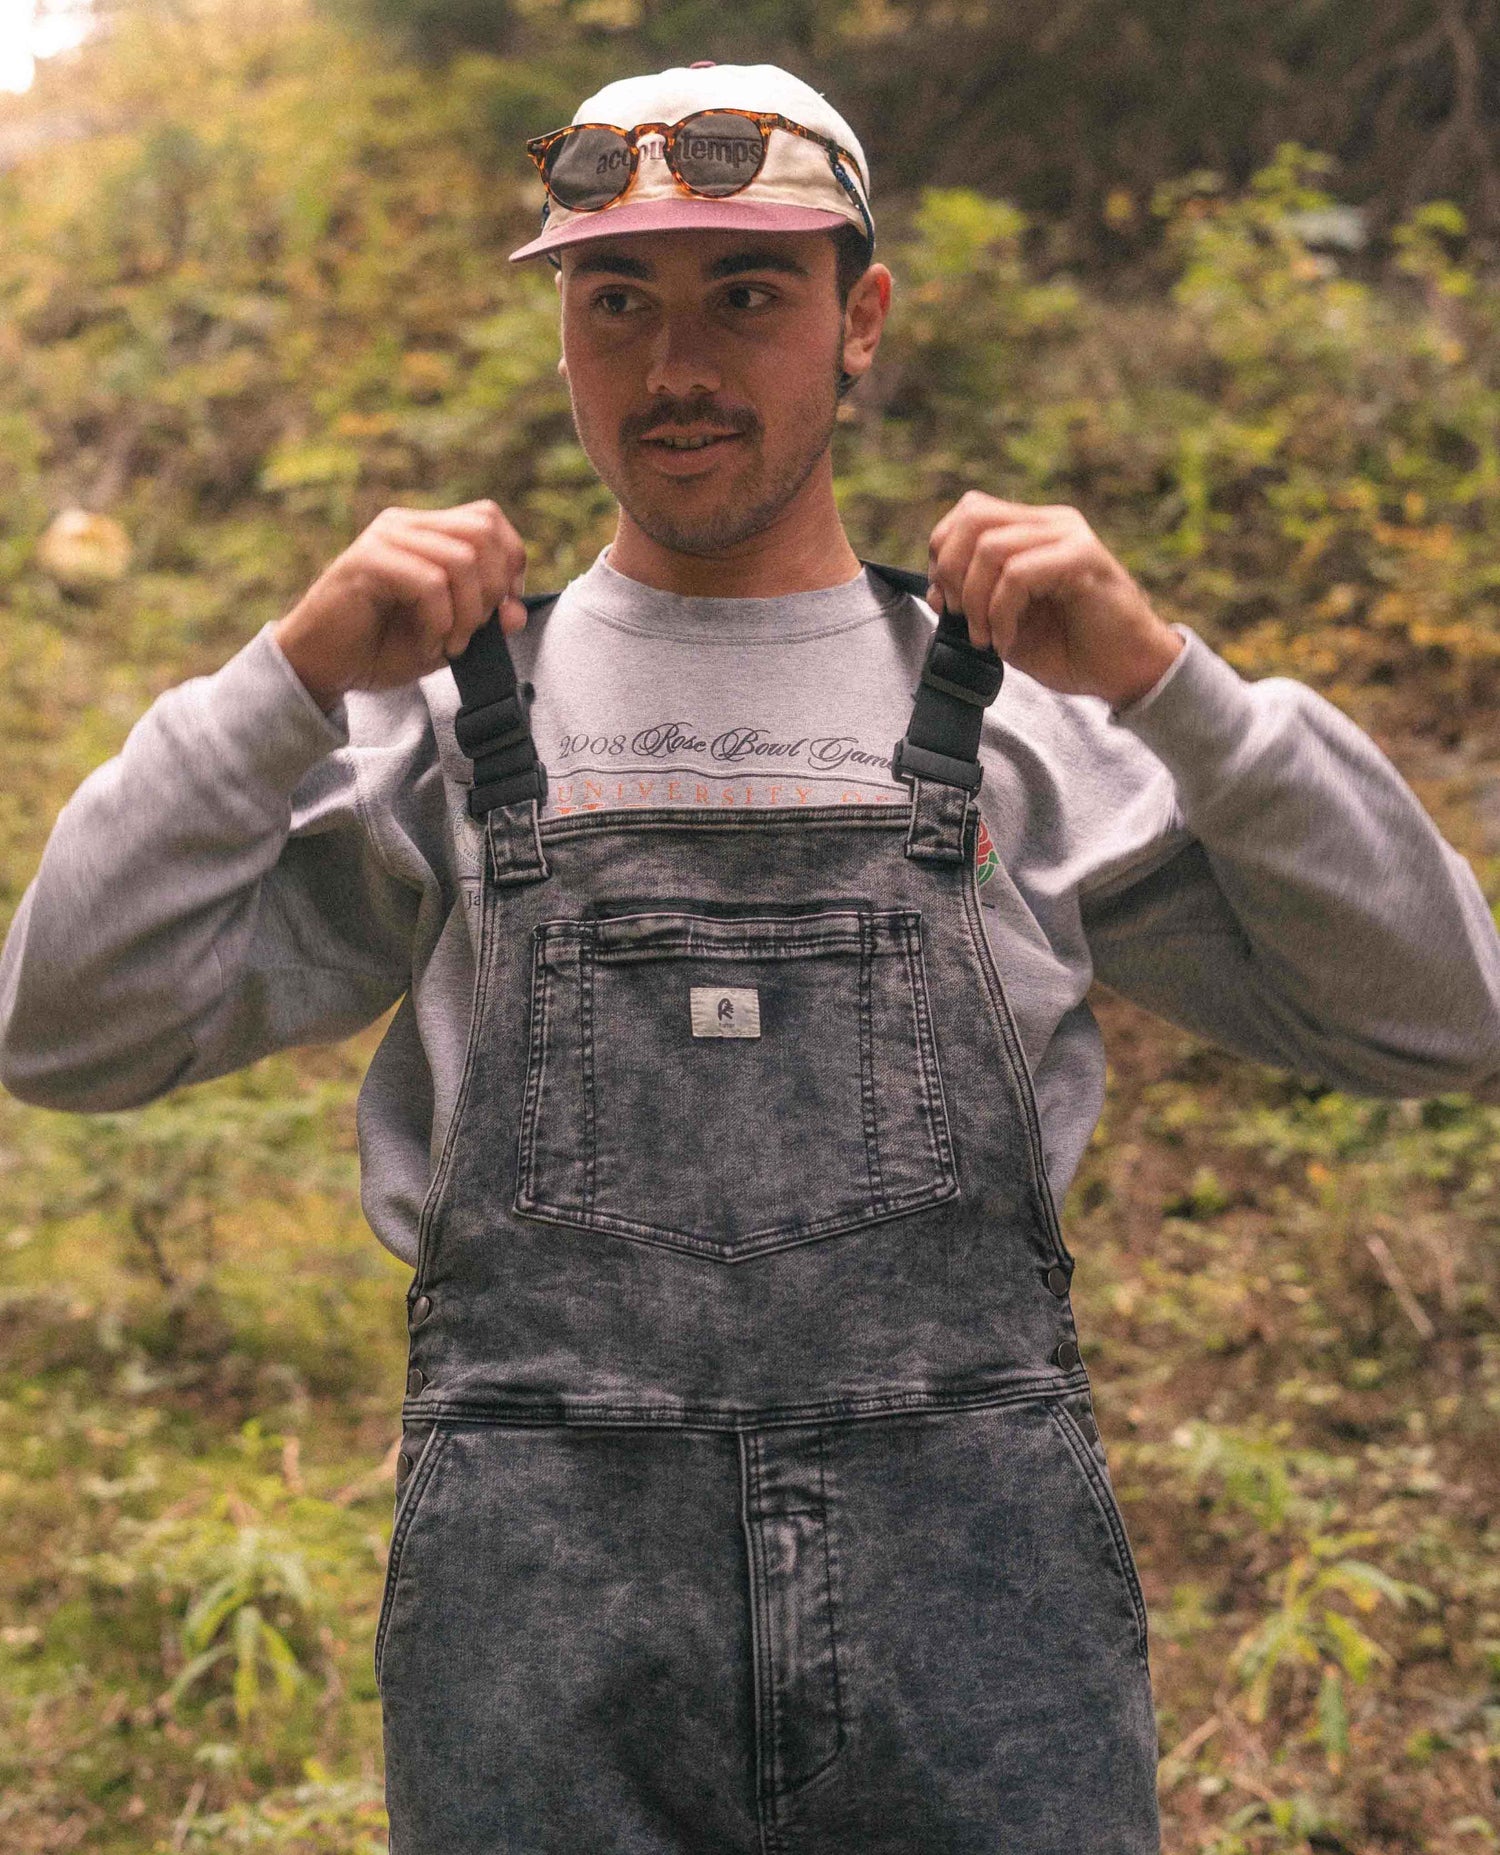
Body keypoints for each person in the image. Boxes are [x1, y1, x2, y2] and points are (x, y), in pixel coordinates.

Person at [3, 55, 1499, 1855]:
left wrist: (1179, 690)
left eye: (747, 296)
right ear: (563, 327)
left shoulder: (1026, 717)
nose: (677, 368)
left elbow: (1440, 1013)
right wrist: (283, 684)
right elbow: (64, 1028)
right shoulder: (448, 721)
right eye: (617, 300)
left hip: (977, 1624)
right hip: (540, 1642)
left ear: (859, 319)